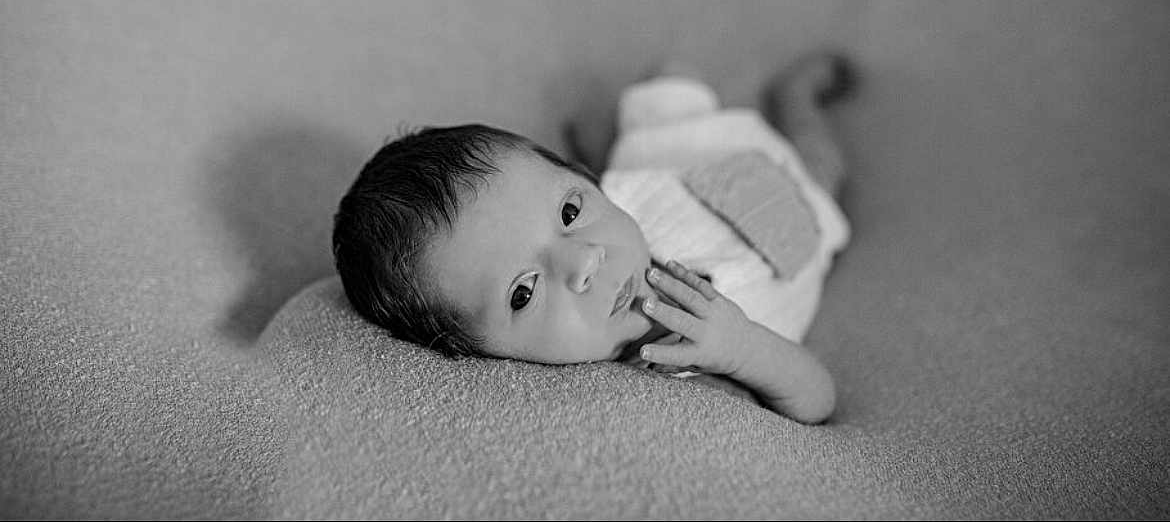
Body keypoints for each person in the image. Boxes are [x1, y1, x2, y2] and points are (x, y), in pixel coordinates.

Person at [332, 53, 855, 423]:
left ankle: (607, 143)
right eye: (524, 292)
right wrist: (742, 349)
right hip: (796, 211)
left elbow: (613, 186)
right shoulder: (677, 372)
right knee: (823, 165)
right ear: (480, 356)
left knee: (672, 78)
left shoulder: (622, 197)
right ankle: (796, 98)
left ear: (582, 178)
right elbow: (818, 397)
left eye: (569, 209)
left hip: (680, 164)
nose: (584, 262)